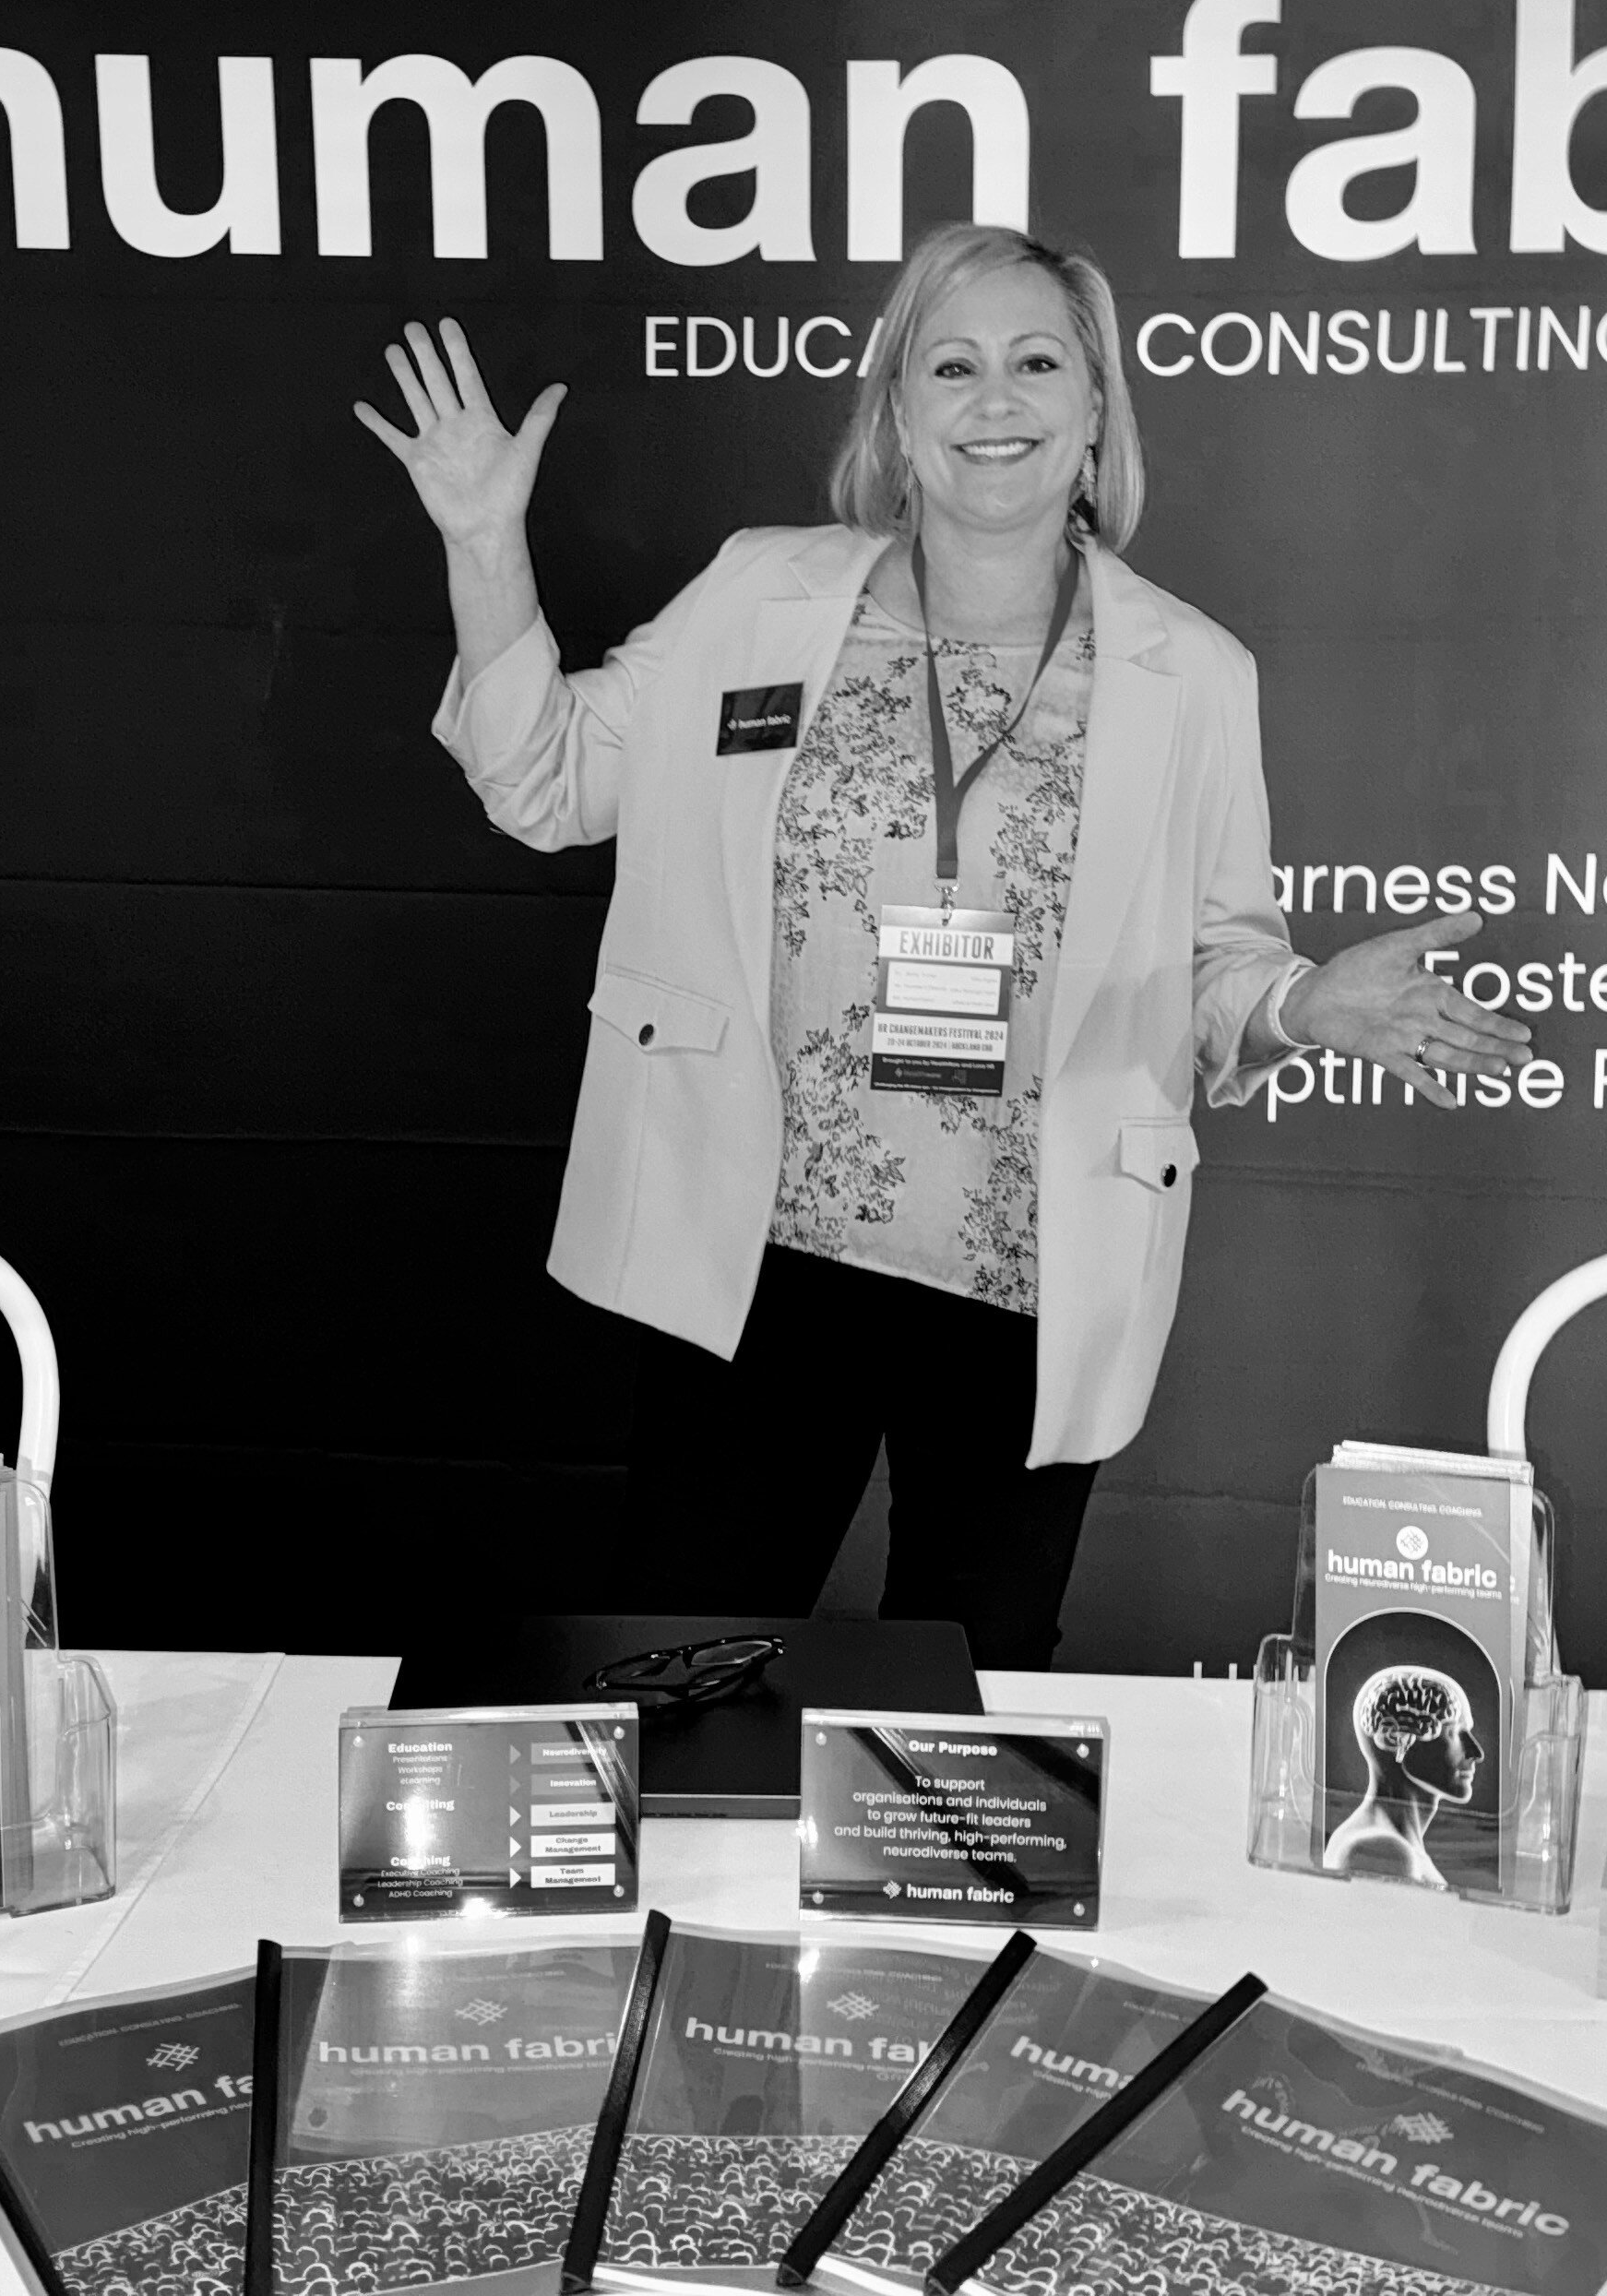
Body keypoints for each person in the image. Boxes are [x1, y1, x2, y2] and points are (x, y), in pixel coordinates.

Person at [369, 223, 1530, 1670]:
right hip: (759, 1250)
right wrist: (484, 542)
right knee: (674, 1676)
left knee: (964, 1723)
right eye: (954, 364)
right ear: (899, 413)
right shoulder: (758, 599)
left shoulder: (1191, 677)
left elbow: (1218, 965)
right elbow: (545, 782)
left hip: (1029, 1265)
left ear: (1096, 409)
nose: (998, 399)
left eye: (1039, 362)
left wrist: (1303, 1004)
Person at [1321, 1664, 1482, 1888]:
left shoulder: (1398, 1845)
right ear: (1394, 1738)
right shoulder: (1383, 1850)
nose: (1476, 1753)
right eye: (1453, 1733)